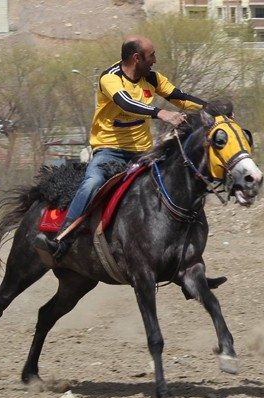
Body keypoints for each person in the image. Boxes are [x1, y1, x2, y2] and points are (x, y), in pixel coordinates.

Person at [36, 34, 208, 260]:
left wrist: (212, 108)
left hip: (143, 153)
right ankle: (62, 239)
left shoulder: (153, 79)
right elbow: (126, 103)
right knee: (92, 183)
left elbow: (181, 97)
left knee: (175, 181)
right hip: (109, 151)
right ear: (137, 58)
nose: (155, 60)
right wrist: (161, 113)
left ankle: (185, 252)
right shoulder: (110, 78)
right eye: (151, 55)